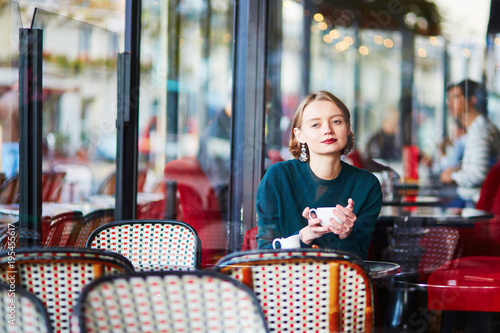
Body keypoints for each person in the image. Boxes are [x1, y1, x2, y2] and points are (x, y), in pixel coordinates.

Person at [255, 91, 383, 259]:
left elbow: (359, 259)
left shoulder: (367, 185)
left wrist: (346, 235)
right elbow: (264, 253)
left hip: (341, 282)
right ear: (299, 135)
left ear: (348, 128)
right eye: (315, 125)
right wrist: (304, 237)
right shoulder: (278, 177)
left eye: (336, 121)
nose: (328, 130)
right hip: (286, 281)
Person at [440, 79, 500, 206]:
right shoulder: (479, 127)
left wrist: (454, 176)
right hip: (472, 202)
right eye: (449, 98)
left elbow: (478, 174)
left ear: (472, 101)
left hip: (473, 205)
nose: (449, 103)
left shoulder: (479, 132)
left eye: (455, 97)